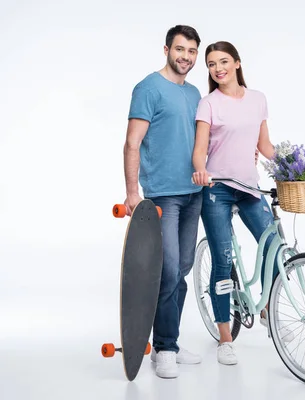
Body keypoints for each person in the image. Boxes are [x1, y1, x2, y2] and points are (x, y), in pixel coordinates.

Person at [191, 41, 293, 366]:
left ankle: (266, 311)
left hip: (249, 188)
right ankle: (225, 337)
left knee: (274, 248)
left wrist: (293, 167)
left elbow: (265, 146)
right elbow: (199, 149)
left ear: (237, 63)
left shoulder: (258, 99)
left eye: (223, 61)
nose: (217, 68)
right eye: (210, 64)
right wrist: (200, 170)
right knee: (223, 262)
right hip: (216, 190)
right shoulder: (208, 104)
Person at [123, 25, 204, 379]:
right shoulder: (148, 89)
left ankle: (165, 340)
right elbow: (131, 143)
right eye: (180, 49)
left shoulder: (195, 92)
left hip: (194, 194)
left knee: (182, 270)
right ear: (167, 49)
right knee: (168, 271)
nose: (185, 56)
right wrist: (131, 192)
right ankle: (165, 348)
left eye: (192, 51)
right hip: (162, 196)